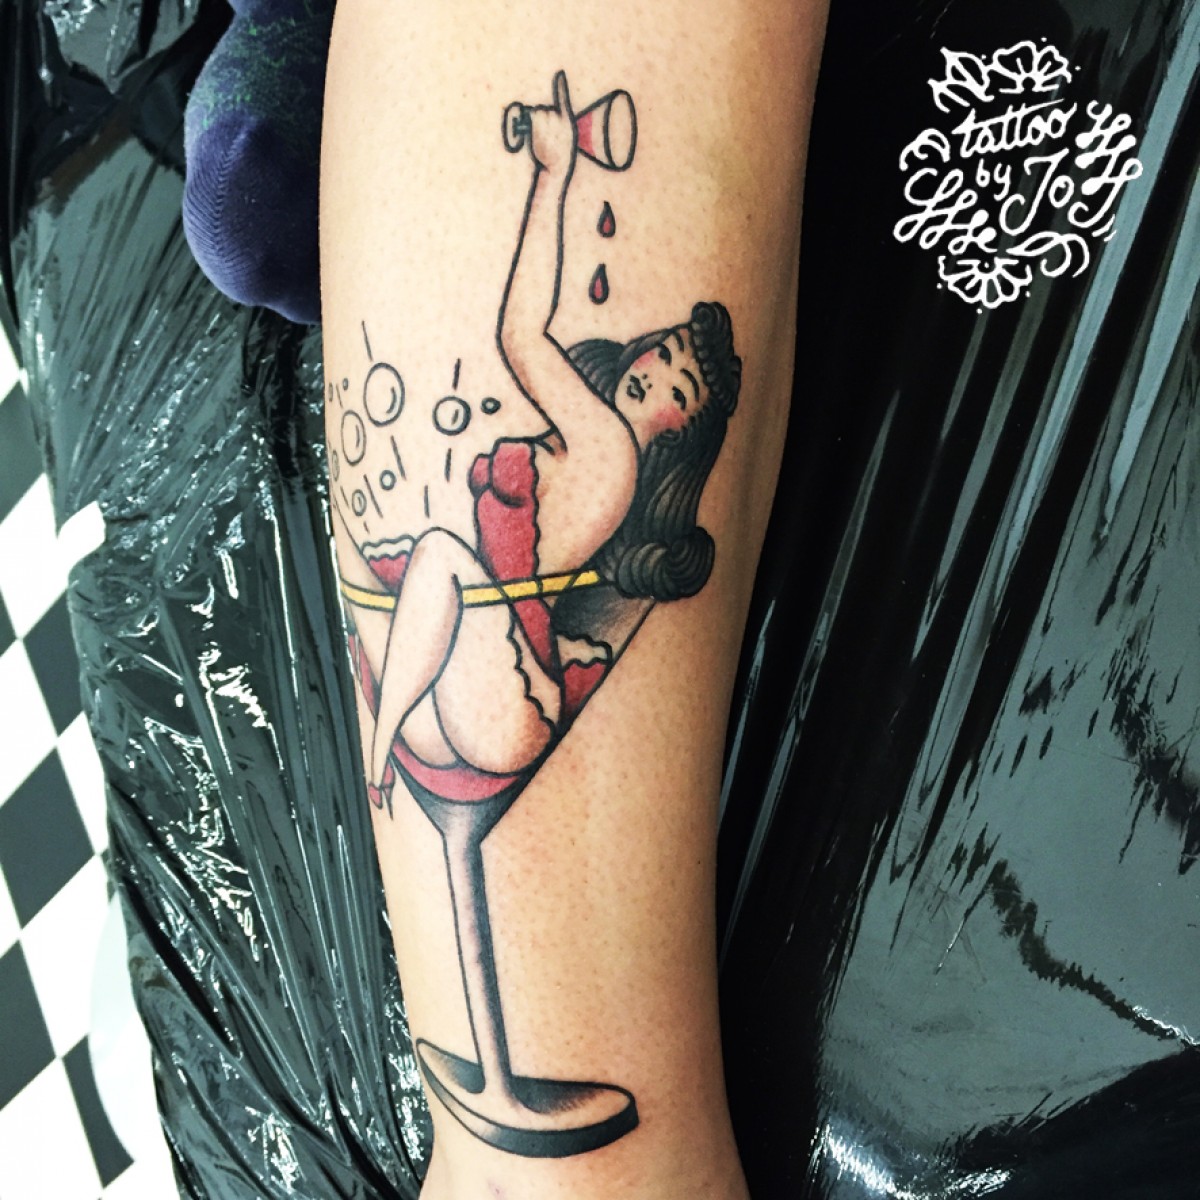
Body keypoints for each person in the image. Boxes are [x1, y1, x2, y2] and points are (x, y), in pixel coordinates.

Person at [356, 74, 741, 801]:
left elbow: (520, 334)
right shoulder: (592, 438)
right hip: (478, 679)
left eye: (679, 388)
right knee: (418, 573)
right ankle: (389, 745)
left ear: (678, 433)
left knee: (438, 555)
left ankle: (378, 756)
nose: (656, 371)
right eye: (665, 351)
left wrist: (554, 172)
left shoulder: (611, 451)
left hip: (509, 705)